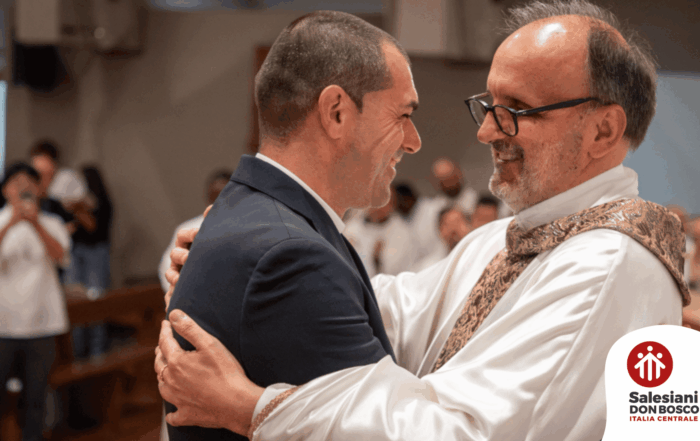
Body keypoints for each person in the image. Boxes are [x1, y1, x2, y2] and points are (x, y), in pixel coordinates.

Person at [155, 1, 689, 440]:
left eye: (515, 110)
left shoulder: (609, 265)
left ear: (602, 131)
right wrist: (248, 270)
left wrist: (256, 410)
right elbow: (395, 316)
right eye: (488, 106)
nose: (487, 132)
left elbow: (461, 434)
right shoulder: (506, 238)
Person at [162, 10, 420, 441]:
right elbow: (385, 430)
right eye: (403, 115)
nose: (413, 141)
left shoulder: (258, 216)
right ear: (336, 112)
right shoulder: (290, 256)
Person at [0, 162, 71, 441]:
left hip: (42, 324)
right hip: (4, 324)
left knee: (36, 398)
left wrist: (34, 223)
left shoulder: (52, 223)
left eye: (29, 182)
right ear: (5, 190)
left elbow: (60, 257)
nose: (23, 187)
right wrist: (11, 224)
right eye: (16, 182)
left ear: (39, 189)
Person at [158, 169, 232, 293]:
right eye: (215, 197)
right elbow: (168, 269)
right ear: (207, 198)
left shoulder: (258, 224)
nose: (220, 202)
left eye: (226, 195)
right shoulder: (188, 230)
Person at [68, 166, 113, 359]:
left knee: (95, 301)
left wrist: (79, 209)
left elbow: (93, 227)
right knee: (75, 301)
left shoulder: (102, 203)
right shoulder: (70, 203)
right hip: (75, 253)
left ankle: (97, 352)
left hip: (96, 253)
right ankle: (77, 352)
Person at [412, 206, 471, 272]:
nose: (453, 229)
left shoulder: (477, 259)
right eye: (447, 224)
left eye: (457, 222)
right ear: (439, 231)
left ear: (469, 225)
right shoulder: (429, 267)